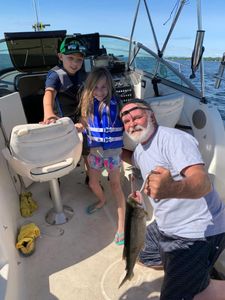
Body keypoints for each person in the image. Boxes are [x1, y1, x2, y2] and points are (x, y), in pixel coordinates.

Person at [120, 98, 225, 300]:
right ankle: (190, 273)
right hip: (165, 225)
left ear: (151, 115)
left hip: (197, 231)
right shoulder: (141, 150)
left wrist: (171, 188)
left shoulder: (174, 139)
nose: (131, 122)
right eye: (126, 120)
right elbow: (133, 158)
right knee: (142, 255)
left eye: (136, 115)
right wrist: (113, 150)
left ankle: (200, 282)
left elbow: (202, 182)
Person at [79, 66, 126, 245]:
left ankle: (121, 226)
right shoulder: (87, 104)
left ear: (110, 87)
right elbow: (84, 122)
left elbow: (127, 119)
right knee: (92, 182)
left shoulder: (117, 103)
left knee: (115, 185)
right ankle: (102, 200)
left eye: (104, 87)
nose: (100, 91)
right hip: (95, 153)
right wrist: (79, 126)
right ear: (90, 88)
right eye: (96, 87)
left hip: (113, 153)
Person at [42, 36, 89, 182]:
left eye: (79, 60)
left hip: (79, 118)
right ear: (60, 57)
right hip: (60, 121)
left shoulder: (83, 75)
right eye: (70, 58)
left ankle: (90, 176)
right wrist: (48, 114)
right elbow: (49, 94)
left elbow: (86, 98)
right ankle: (55, 179)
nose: (75, 63)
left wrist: (83, 119)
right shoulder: (55, 75)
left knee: (87, 149)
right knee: (57, 153)